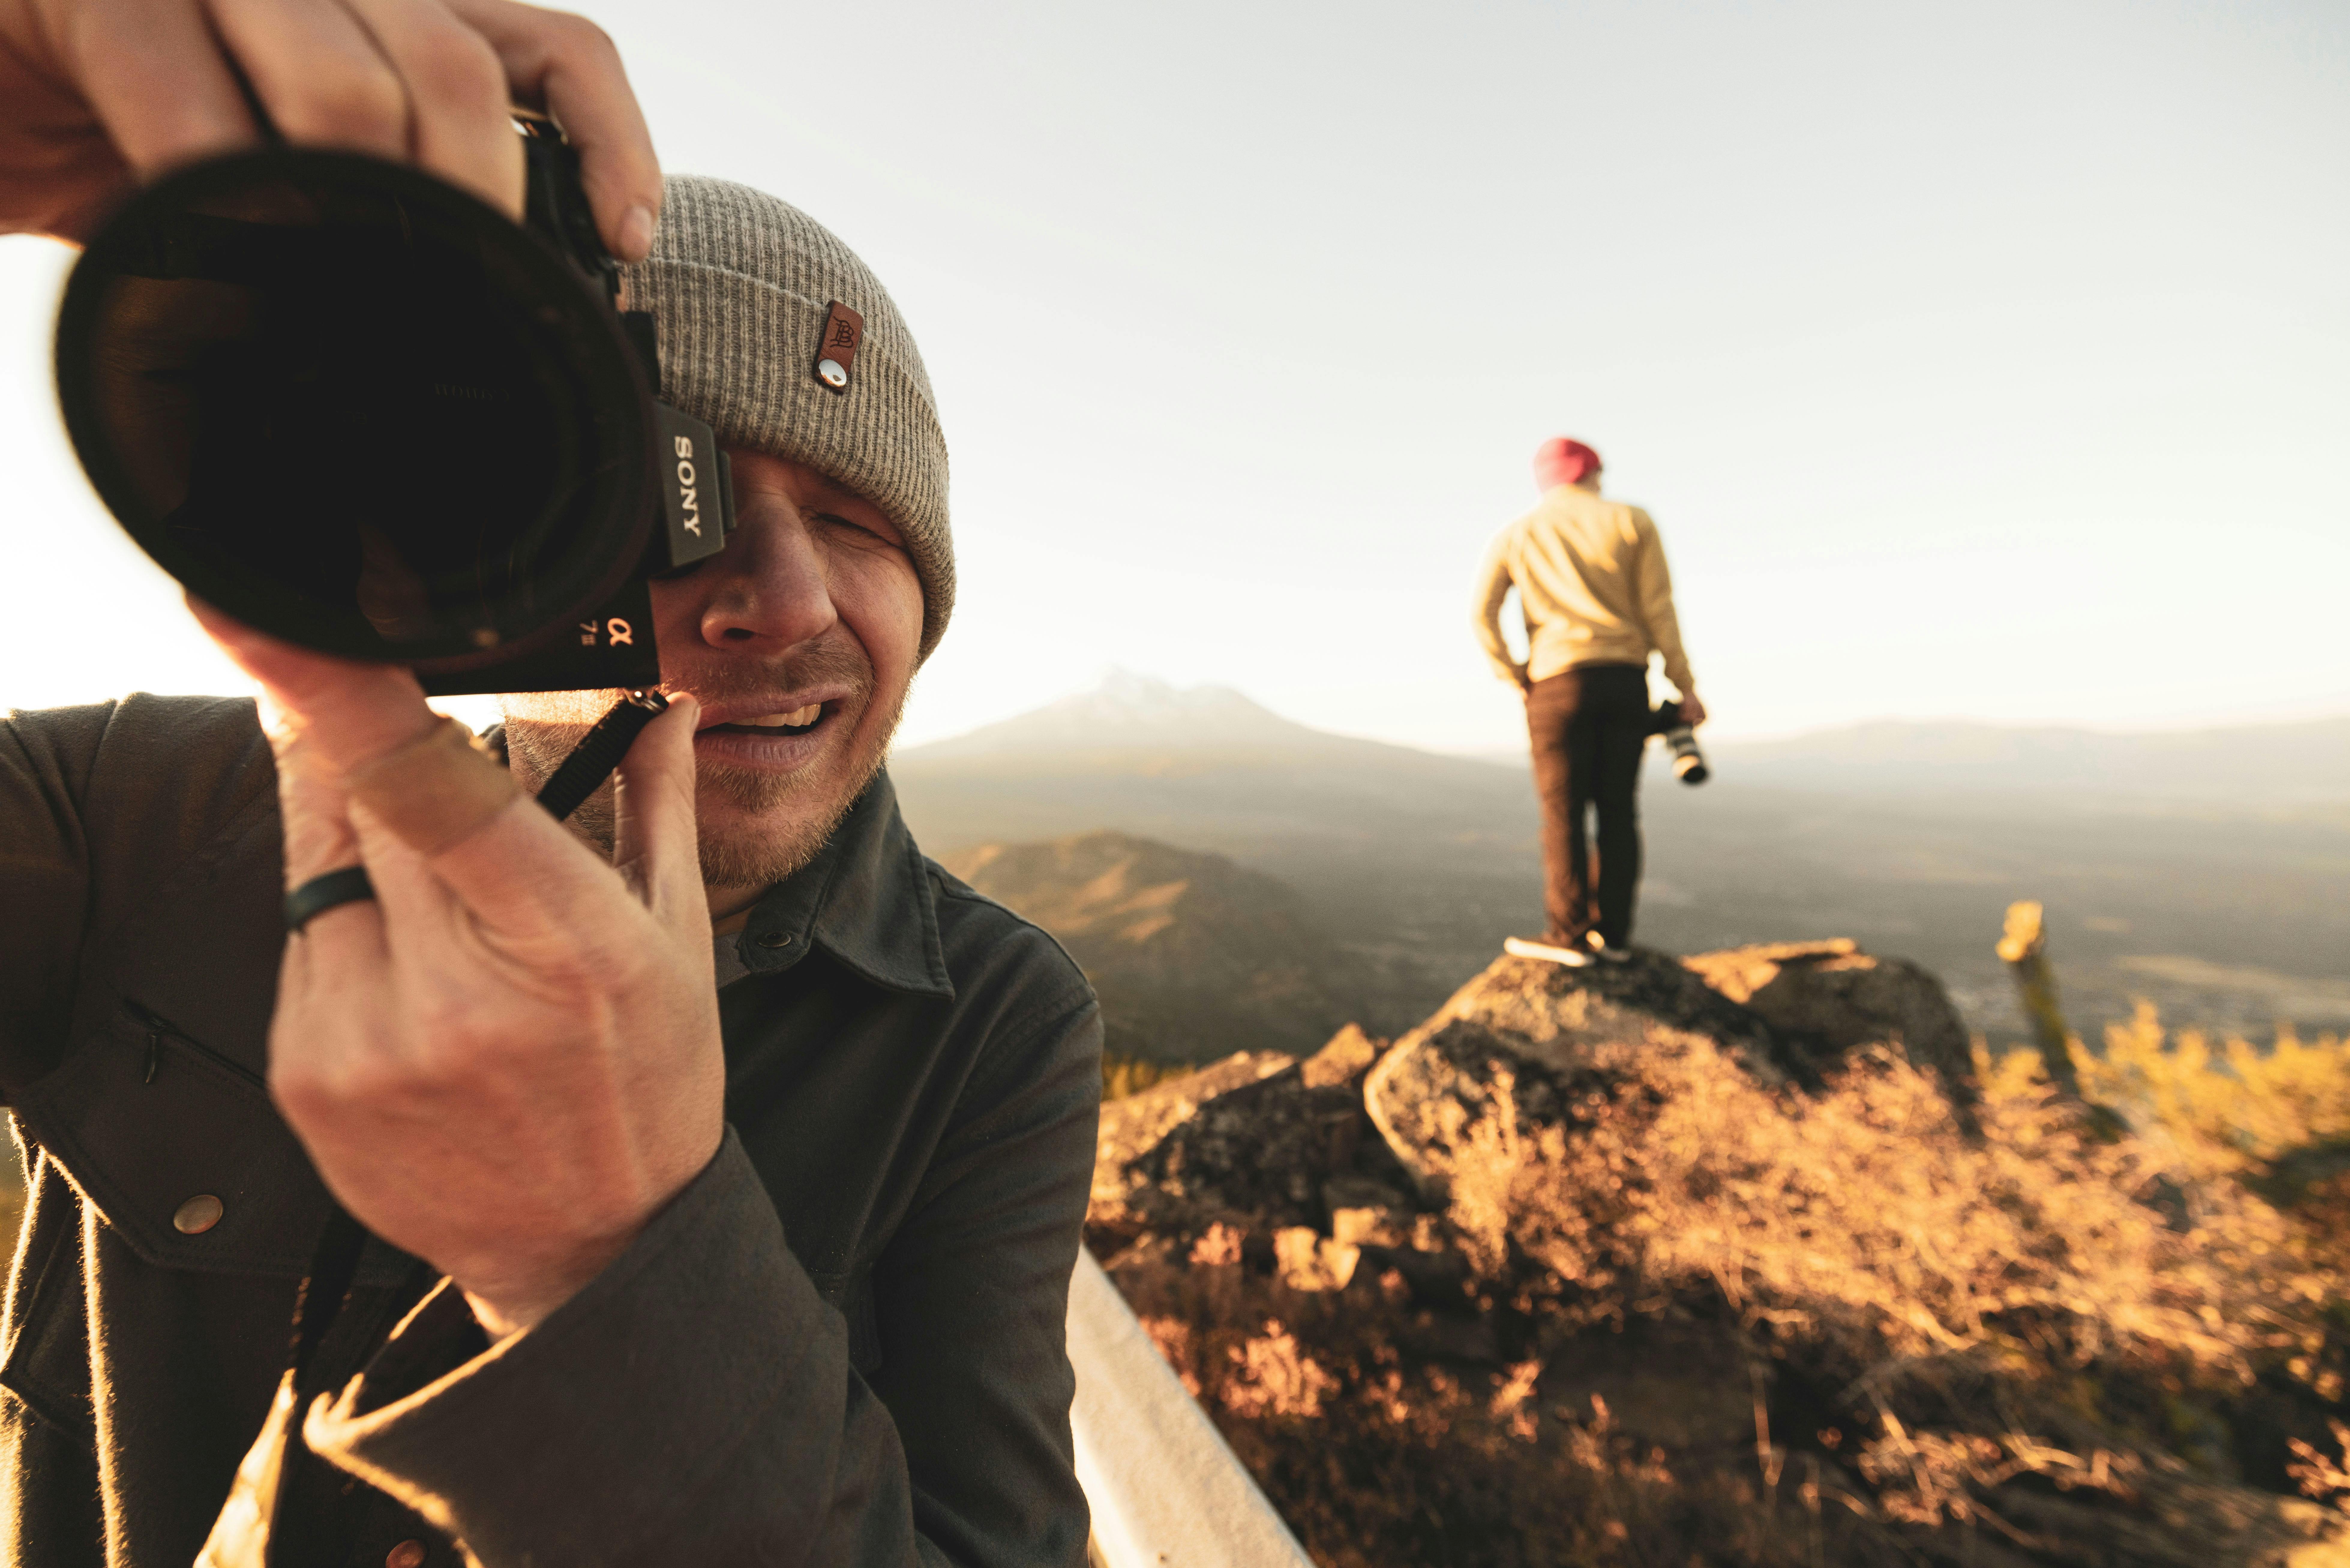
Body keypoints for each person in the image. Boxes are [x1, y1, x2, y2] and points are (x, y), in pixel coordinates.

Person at [0, 5, 1101, 1565]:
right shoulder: (137, 814)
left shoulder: (987, 1023)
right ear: (488, 537)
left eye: (861, 522)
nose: (784, 601)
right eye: (681, 489)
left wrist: (616, 1259)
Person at [1472, 437, 1705, 967]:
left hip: (1555, 684)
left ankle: (1569, 936)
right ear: (1592, 472)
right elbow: (1658, 608)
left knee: (1563, 815)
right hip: (1625, 680)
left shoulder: (1517, 534)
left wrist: (1515, 675)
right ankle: (1616, 937)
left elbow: (1481, 614)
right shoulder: (1632, 520)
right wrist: (1683, 684)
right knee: (1619, 812)